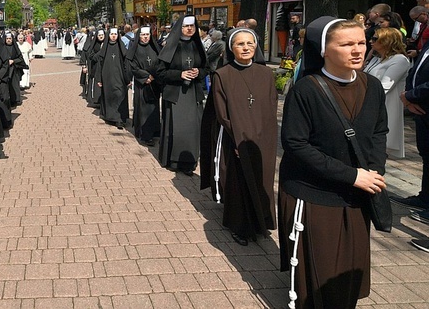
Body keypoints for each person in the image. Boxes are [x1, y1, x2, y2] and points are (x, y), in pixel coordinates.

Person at [278, 17, 388, 309]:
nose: (357, 50)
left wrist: (374, 171)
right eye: (347, 44)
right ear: (324, 49)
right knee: (319, 271)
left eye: (362, 42)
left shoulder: (373, 86)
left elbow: (379, 132)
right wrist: (351, 175)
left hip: (357, 192)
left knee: (349, 269)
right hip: (316, 194)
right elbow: (296, 144)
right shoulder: (307, 90)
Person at [200, 29, 278, 246]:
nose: (246, 48)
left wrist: (266, 139)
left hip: (263, 138)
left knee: (262, 179)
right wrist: (237, 140)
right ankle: (239, 226)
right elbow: (222, 113)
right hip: (235, 138)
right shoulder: (222, 75)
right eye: (240, 44)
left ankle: (261, 221)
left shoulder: (266, 74)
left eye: (250, 43)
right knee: (238, 182)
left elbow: (271, 108)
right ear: (231, 48)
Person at [155, 16, 208, 175]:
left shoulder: (198, 46)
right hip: (175, 94)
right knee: (176, 128)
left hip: (193, 94)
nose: (190, 29)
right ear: (180, 28)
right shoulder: (171, 46)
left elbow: (206, 68)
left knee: (192, 128)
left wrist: (199, 72)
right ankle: (174, 160)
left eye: (192, 26)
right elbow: (160, 72)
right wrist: (180, 75)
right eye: (186, 26)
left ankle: (190, 160)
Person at [396, 23, 429, 211]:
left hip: (421, 103)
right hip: (420, 110)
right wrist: (407, 96)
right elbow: (414, 71)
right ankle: (425, 198)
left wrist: (410, 95)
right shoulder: (426, 45)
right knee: (426, 154)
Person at [363, 27, 411, 158]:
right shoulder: (376, 59)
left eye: (375, 39)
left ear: (387, 41)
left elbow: (386, 86)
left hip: (384, 104)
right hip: (369, 102)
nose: (370, 41)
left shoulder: (399, 60)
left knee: (379, 147)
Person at [126, 26, 161, 145]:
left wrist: (154, 76)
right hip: (142, 84)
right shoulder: (134, 49)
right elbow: (132, 66)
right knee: (143, 109)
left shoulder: (155, 47)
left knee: (154, 108)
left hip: (154, 83)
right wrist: (146, 77)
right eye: (143, 35)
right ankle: (145, 134)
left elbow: (160, 63)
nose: (145, 37)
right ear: (139, 36)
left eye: (147, 35)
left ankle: (154, 131)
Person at [95, 28, 130, 129]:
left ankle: (120, 119)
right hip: (107, 76)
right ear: (108, 35)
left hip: (120, 76)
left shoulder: (121, 47)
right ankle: (110, 117)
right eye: (112, 34)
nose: (114, 36)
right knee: (109, 96)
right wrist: (99, 79)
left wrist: (128, 78)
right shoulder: (104, 48)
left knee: (119, 95)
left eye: (115, 34)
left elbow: (126, 63)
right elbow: (100, 64)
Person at [3, 31, 26, 107]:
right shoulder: (2, 48)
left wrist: (13, 61)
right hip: (5, 69)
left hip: (14, 69)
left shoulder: (15, 47)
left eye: (10, 38)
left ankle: (16, 100)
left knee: (14, 85)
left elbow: (20, 58)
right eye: (7, 39)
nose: (9, 40)